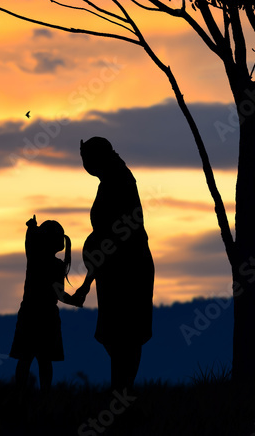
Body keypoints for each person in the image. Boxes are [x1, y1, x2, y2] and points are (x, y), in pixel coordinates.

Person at [71, 137, 154, 391]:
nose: (85, 167)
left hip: (128, 268)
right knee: (116, 334)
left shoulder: (118, 181)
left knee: (124, 335)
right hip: (111, 268)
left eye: (87, 160)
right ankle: (121, 389)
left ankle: (121, 391)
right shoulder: (112, 179)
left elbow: (114, 237)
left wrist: (87, 281)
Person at [9, 215, 80, 392]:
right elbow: (60, 295)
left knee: (26, 359)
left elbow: (29, 242)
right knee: (44, 360)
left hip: (30, 313)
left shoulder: (34, 260)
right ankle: (45, 395)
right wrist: (75, 300)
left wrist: (31, 228)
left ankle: (20, 396)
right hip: (47, 316)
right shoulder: (56, 265)